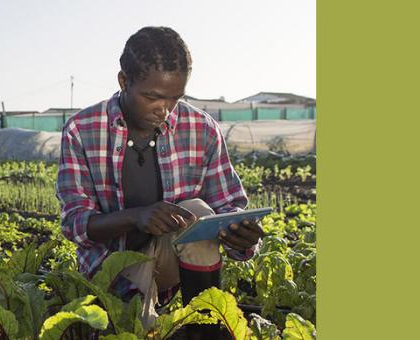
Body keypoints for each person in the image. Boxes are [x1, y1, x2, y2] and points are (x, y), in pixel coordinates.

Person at [55, 26, 264, 338]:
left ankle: (204, 326)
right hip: (109, 269)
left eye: (174, 98)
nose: (164, 110)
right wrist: (135, 216)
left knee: (196, 210)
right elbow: (75, 224)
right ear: (124, 82)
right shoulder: (81, 130)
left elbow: (227, 207)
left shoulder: (202, 129)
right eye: (152, 97)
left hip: (168, 266)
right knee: (136, 330)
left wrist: (243, 238)